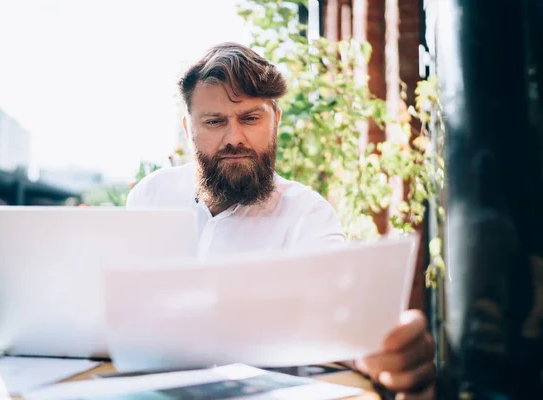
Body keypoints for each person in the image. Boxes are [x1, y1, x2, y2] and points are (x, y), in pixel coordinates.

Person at [127, 42, 435, 398]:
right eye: (214, 122)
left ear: (276, 120)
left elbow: (337, 323)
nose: (235, 138)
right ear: (188, 127)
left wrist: (379, 352)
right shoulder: (150, 197)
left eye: (250, 118)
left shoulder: (308, 215)